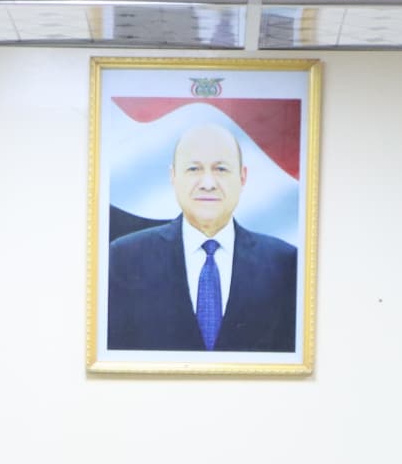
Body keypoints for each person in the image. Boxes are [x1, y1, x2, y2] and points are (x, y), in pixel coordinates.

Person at [104, 120, 299, 354]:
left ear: (243, 177)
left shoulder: (284, 263)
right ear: (173, 176)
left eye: (221, 169)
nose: (208, 184)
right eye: (194, 169)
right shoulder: (125, 258)